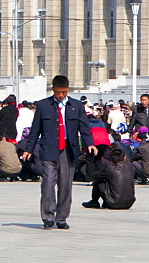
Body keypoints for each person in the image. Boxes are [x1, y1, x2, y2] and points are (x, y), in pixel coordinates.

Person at [21, 75, 96, 230]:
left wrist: (90, 144)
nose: (60, 95)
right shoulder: (43, 105)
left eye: (63, 92)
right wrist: (29, 149)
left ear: (68, 89)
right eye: (57, 92)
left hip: (69, 150)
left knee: (65, 185)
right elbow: (35, 129)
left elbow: (84, 128)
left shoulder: (76, 106)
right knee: (48, 184)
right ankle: (48, 217)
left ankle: (61, 218)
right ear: (52, 89)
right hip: (49, 149)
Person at [84, 146, 136, 210]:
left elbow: (95, 176)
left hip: (113, 203)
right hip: (129, 203)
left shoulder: (110, 168)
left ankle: (94, 201)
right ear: (124, 158)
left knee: (99, 181)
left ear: (111, 159)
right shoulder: (131, 168)